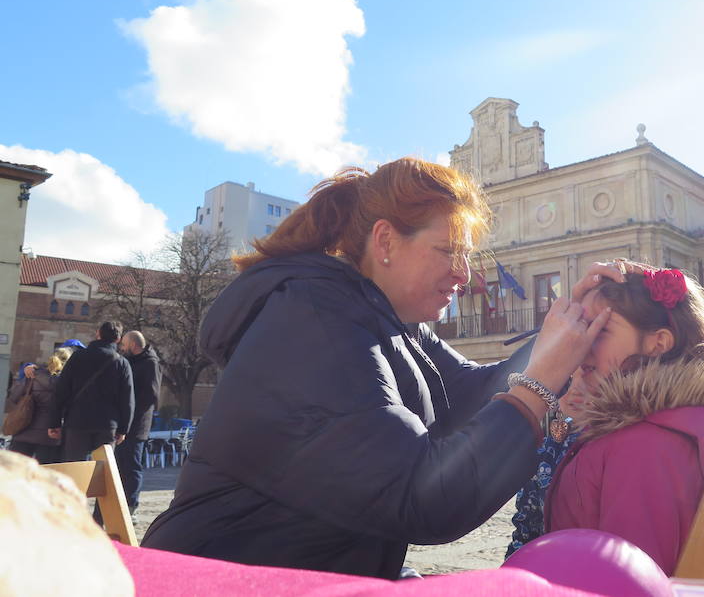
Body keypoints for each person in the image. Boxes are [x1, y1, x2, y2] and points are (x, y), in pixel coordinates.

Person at [142, 157, 607, 579]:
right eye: (449, 252)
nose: (464, 275)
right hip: (217, 583)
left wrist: (567, 330)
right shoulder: (311, 324)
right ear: (385, 240)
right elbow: (423, 499)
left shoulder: (387, 321)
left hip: (305, 577)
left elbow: (473, 393)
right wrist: (537, 388)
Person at [544, 265, 704, 576]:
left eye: (599, 331)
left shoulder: (642, 445)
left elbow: (632, 580)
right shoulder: (659, 425)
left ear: (658, 342)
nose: (580, 344)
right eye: (582, 328)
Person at [505, 385, 581, 559]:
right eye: (566, 382)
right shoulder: (547, 448)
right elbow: (527, 524)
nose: (574, 390)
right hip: (548, 565)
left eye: (590, 371)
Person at [49, 321, 135, 462]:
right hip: (107, 424)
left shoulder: (77, 357)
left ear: (98, 334)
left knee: (75, 468)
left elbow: (61, 391)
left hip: (77, 421)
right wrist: (123, 429)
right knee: (103, 470)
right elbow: (127, 400)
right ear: (118, 339)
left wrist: (54, 422)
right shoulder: (121, 363)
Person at [117, 330, 161, 513]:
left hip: (137, 425)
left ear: (134, 345)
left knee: (132, 466)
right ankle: (120, 503)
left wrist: (129, 400)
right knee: (120, 466)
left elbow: (151, 395)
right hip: (124, 423)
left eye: (124, 346)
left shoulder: (150, 363)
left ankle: (131, 505)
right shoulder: (132, 361)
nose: (122, 349)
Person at [5, 347, 73, 464]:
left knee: (16, 473)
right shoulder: (67, 382)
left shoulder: (32, 375)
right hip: (51, 435)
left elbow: (14, 397)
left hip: (24, 430)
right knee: (45, 475)